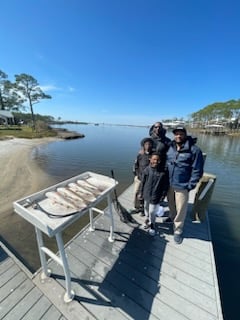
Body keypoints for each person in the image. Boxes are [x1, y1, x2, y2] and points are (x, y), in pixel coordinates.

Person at [166, 126, 204, 244]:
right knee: (171, 205)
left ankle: (178, 230)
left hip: (182, 185)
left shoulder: (194, 150)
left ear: (185, 135)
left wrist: (190, 185)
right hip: (169, 183)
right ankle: (172, 218)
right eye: (176, 134)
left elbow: (197, 169)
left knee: (181, 209)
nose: (178, 136)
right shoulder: (170, 147)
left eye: (181, 134)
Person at [138, 152, 169, 236]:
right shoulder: (147, 170)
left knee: (152, 211)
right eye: (154, 159)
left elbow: (165, 186)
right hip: (146, 194)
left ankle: (152, 225)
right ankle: (147, 219)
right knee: (146, 209)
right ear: (150, 159)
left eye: (158, 160)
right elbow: (143, 182)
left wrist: (163, 196)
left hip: (156, 196)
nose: (156, 161)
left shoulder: (163, 172)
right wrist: (140, 192)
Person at [133, 137, 153, 216]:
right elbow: (135, 165)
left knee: (145, 194)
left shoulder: (153, 154)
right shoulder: (140, 154)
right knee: (136, 192)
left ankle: (143, 209)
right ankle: (137, 207)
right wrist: (137, 174)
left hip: (148, 179)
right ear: (143, 145)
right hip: (139, 177)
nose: (148, 146)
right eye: (146, 144)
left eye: (149, 144)